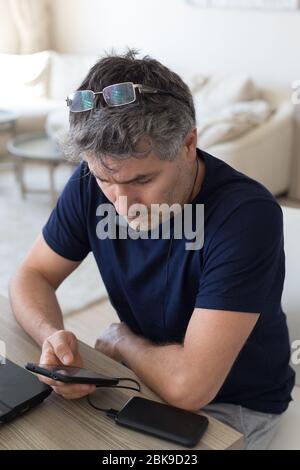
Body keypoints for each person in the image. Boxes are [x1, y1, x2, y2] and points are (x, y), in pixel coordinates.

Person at [9, 49, 295, 449]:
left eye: (143, 179)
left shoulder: (246, 216)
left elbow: (189, 388)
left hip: (234, 404)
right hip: (146, 374)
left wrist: (123, 341)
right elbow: (32, 275)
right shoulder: (92, 183)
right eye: (106, 180)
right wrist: (51, 337)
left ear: (189, 143)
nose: (123, 204)